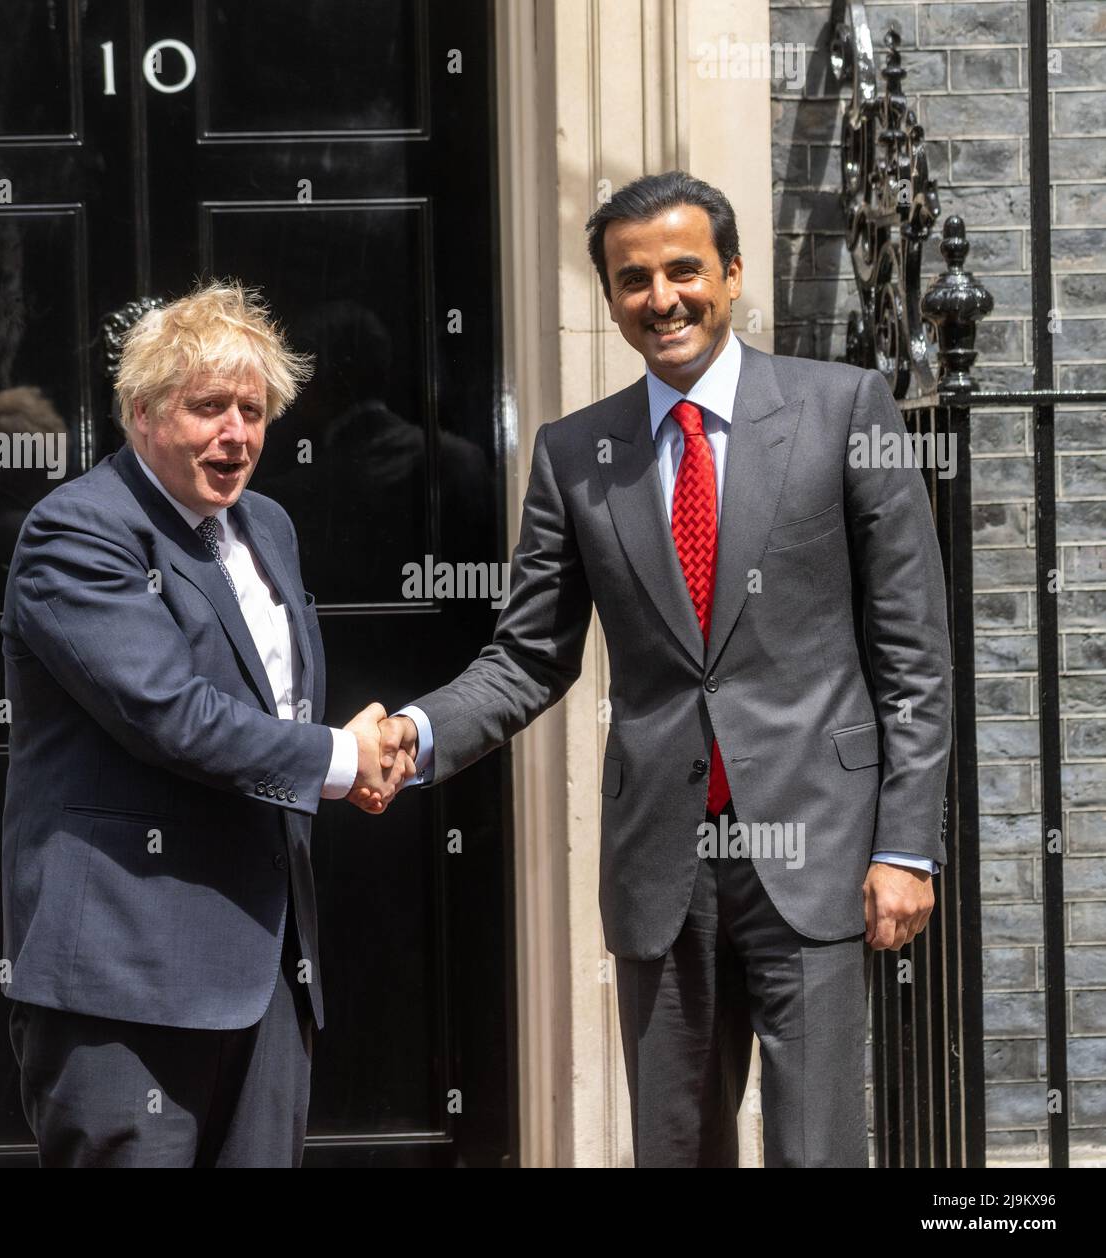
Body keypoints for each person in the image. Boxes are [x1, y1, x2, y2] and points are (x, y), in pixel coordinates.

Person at [365, 171, 952, 1167]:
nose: (661, 297)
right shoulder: (571, 453)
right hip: (662, 868)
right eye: (632, 279)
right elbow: (527, 655)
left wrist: (906, 846)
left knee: (819, 1150)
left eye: (684, 270)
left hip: (817, 850)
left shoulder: (843, 406)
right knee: (673, 1149)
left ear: (730, 274)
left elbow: (912, 658)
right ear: (608, 300)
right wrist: (415, 734)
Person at [0, 280, 410, 1167]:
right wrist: (341, 758)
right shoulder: (76, 531)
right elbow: (171, 713)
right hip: (127, 988)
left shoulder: (269, 525)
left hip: (267, 979)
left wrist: (346, 755)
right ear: (142, 412)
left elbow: (273, 705)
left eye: (253, 411)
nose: (237, 434)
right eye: (209, 407)